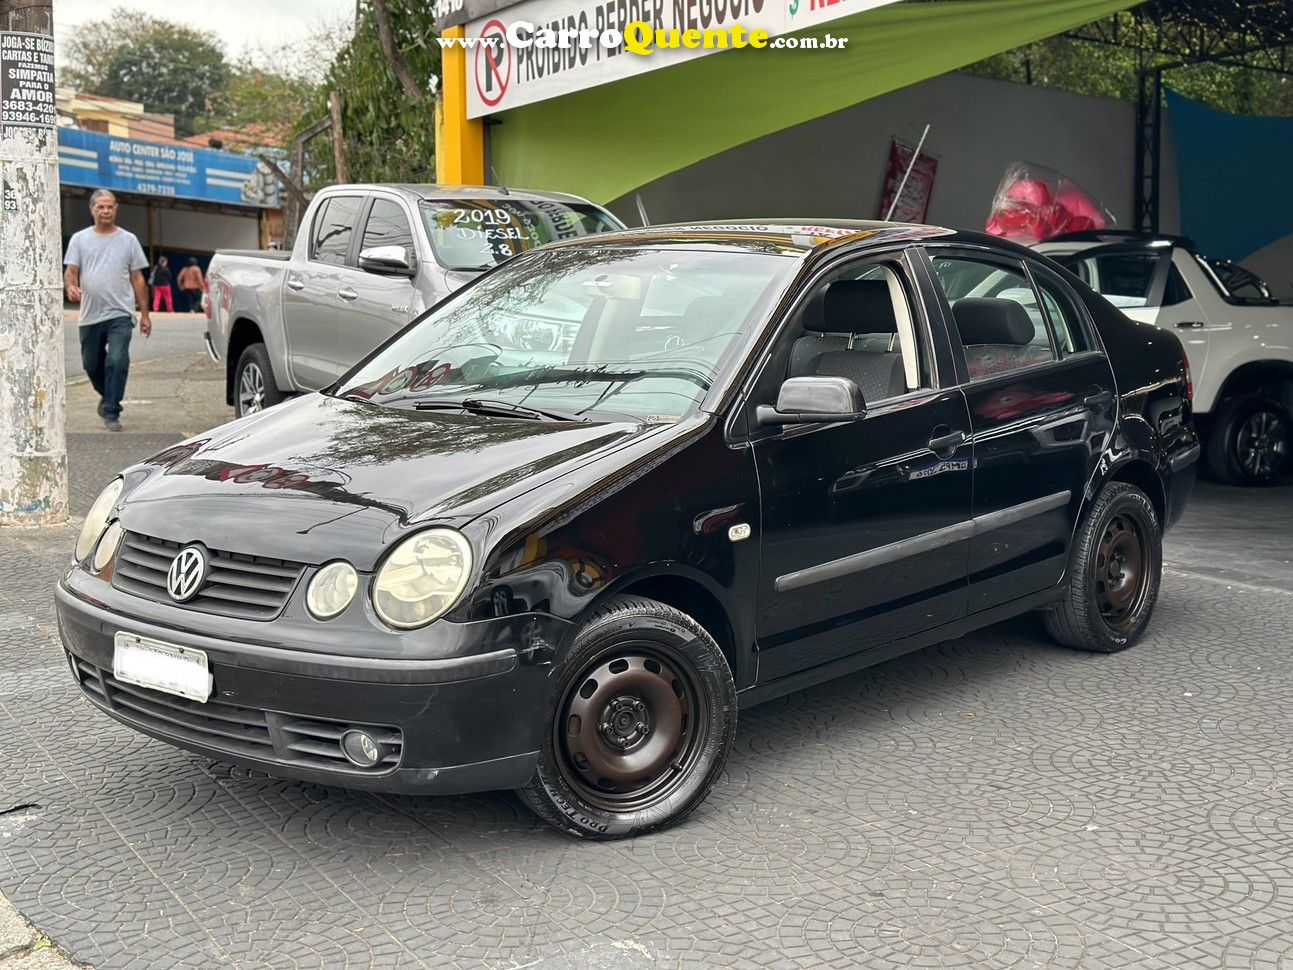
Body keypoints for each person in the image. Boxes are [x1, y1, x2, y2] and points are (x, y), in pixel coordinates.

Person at [63, 189, 152, 432]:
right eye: (100, 207)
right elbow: (71, 271)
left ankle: (112, 410)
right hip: (90, 315)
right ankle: (108, 394)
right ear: (92, 209)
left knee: (117, 360)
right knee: (91, 365)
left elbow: (138, 279)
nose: (105, 211)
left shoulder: (128, 240)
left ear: (116, 209)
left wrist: (144, 314)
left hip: (120, 313)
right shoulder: (80, 240)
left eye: (110, 207)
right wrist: (71, 286)